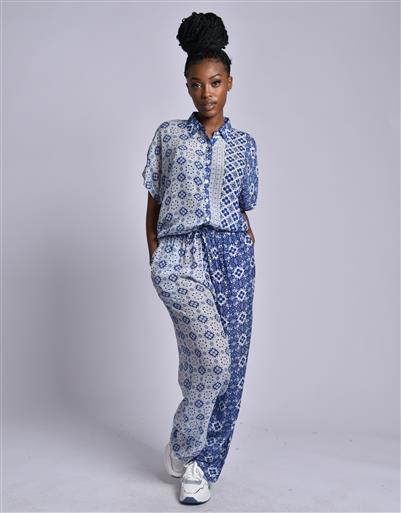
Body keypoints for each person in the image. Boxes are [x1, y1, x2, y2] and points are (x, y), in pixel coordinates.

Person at [142, 11, 259, 505]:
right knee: (210, 363)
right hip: (180, 256)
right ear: (187, 86)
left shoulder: (246, 146)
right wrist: (156, 254)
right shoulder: (169, 136)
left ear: (229, 83)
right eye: (196, 84)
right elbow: (153, 201)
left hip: (233, 257)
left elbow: (243, 206)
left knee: (226, 367)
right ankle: (188, 443)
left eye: (214, 82)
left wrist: (245, 247)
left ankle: (202, 464)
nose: (206, 93)